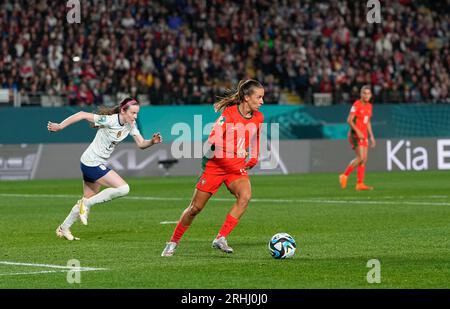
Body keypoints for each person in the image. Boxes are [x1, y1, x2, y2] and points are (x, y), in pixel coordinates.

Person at [161, 79, 265, 256]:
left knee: (245, 196)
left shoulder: (258, 117)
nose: (262, 101)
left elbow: (256, 137)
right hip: (214, 165)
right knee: (195, 208)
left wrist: (254, 157)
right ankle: (173, 242)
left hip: (235, 167)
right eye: (259, 97)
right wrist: (236, 149)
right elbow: (212, 140)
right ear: (247, 98)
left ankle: (221, 238)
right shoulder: (229, 114)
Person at [47, 97, 162, 240]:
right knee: (123, 188)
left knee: (87, 198)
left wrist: (152, 142)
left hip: (92, 162)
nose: (135, 116)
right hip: (92, 163)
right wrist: (60, 126)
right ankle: (86, 204)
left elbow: (141, 144)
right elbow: (81, 114)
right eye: (133, 113)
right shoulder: (110, 120)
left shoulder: (131, 125)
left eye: (137, 113)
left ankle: (63, 228)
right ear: (123, 111)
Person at [339, 85, 376, 190]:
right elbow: (349, 120)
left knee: (364, 160)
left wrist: (372, 136)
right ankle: (344, 175)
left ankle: (360, 184)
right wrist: (358, 131)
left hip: (364, 135)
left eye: (368, 93)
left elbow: (367, 121)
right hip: (355, 134)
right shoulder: (357, 104)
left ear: (371, 95)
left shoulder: (369, 106)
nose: (366, 95)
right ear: (361, 94)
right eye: (364, 93)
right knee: (360, 158)